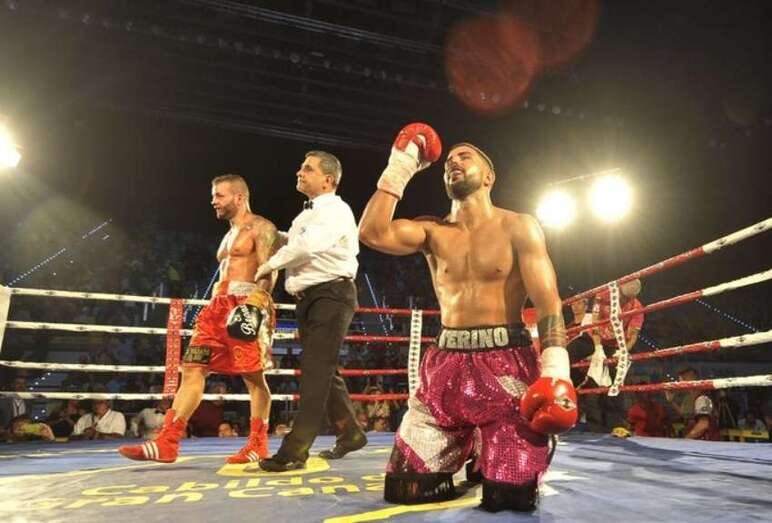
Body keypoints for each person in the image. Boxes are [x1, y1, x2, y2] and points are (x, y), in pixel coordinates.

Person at [358, 124, 577, 512]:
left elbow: (548, 303)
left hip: (506, 365)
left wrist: (556, 370)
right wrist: (401, 166)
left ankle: (497, 448)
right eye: (448, 161)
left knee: (509, 499)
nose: (453, 163)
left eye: (465, 156)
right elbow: (372, 233)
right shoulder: (431, 231)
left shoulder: (518, 226)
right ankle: (474, 444)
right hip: (445, 367)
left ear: (489, 176)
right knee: (406, 488)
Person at [118, 174, 279, 464]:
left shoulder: (262, 227)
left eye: (219, 195)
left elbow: (270, 268)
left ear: (239, 198)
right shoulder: (228, 234)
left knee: (254, 378)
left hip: (247, 304)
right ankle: (168, 441)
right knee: (192, 368)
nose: (213, 201)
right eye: (213, 195)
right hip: (216, 309)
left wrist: (256, 303)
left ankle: (259, 443)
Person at [256, 150, 366, 472]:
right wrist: (270, 235)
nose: (299, 172)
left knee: (316, 371)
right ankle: (350, 432)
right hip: (312, 298)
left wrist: (269, 264)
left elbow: (306, 247)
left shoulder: (335, 209)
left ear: (327, 180)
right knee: (325, 371)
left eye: (308, 168)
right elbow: (296, 240)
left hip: (330, 294)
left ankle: (295, 450)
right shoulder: (308, 214)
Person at [581, 279, 644, 433]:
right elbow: (594, 321)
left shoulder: (637, 308)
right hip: (594, 339)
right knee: (594, 382)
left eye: (628, 298)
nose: (624, 300)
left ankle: (616, 426)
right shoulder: (603, 294)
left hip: (616, 346)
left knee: (616, 384)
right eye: (622, 296)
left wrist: (623, 351)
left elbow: (633, 336)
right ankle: (593, 427)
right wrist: (597, 347)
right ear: (619, 290)